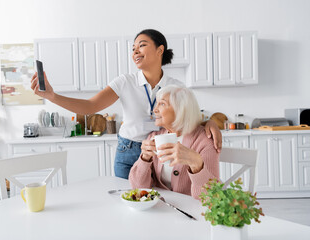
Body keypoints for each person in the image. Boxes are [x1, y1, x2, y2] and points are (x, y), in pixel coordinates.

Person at [30, 29, 222, 179]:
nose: (135, 51)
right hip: (129, 152)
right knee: (130, 203)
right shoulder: (124, 82)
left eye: (142, 45)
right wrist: (53, 96)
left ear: (160, 50)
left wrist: (209, 123)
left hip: (162, 151)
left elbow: (188, 118)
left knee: (161, 203)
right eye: (133, 48)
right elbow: (90, 106)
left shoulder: (176, 87)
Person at [129, 85, 219, 200]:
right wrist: (144, 159)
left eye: (162, 104)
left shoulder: (204, 140)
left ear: (181, 109)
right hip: (161, 208)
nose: (154, 109)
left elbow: (211, 197)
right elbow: (137, 188)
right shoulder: (154, 137)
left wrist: (197, 165)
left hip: (191, 211)